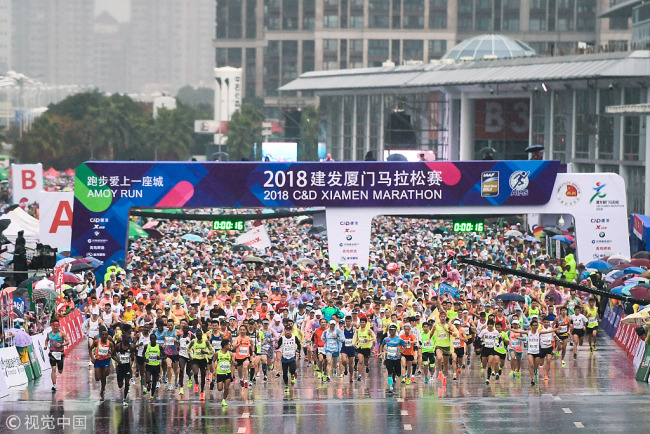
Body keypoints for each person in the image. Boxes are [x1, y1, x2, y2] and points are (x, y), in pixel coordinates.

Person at [188, 328, 214, 401]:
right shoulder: (193, 341)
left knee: (203, 376)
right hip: (196, 359)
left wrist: (205, 353)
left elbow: (212, 351)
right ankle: (196, 383)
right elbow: (188, 348)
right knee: (195, 371)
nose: (199, 337)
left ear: (202, 335)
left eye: (200, 335)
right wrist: (190, 356)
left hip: (203, 360)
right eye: (197, 336)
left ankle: (202, 391)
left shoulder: (206, 342)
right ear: (196, 335)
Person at [45, 319, 70, 392]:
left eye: (57, 326)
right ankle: (54, 385)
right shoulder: (49, 333)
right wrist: (46, 346)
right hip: (52, 353)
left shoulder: (62, 333)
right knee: (53, 368)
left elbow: (68, 342)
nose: (56, 327)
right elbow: (46, 340)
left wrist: (61, 344)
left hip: (60, 353)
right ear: (52, 326)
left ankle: (59, 370)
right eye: (55, 326)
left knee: (60, 371)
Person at [89, 325, 113, 400]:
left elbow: (113, 349)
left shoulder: (109, 339)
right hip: (98, 361)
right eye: (103, 334)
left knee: (105, 375)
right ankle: (102, 387)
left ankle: (102, 390)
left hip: (106, 360)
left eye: (106, 334)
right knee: (97, 378)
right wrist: (92, 358)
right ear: (100, 334)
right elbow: (90, 349)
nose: (104, 336)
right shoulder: (96, 340)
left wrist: (111, 352)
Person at [380, 323, 406, 394]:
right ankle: (391, 387)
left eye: (393, 330)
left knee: (398, 373)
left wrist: (401, 352)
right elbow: (381, 345)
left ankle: (397, 375)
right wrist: (381, 352)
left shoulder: (399, 339)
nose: (392, 331)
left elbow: (405, 345)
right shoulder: (386, 339)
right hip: (389, 358)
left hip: (397, 358)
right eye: (390, 330)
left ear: (395, 331)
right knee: (389, 372)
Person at [113, 324, 134, 405]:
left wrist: (131, 363)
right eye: (127, 338)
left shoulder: (131, 347)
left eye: (130, 338)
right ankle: (121, 388)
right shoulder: (118, 346)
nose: (129, 340)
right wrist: (117, 360)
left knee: (127, 382)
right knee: (120, 384)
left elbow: (132, 357)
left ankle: (125, 399)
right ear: (123, 338)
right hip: (120, 367)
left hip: (127, 367)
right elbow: (112, 354)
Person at [276, 324, 302, 391]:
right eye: (286, 330)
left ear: (291, 331)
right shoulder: (282, 338)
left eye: (289, 330)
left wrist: (298, 351)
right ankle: (286, 385)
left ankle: (292, 375)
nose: (287, 332)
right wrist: (276, 346)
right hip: (284, 357)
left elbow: (299, 345)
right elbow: (278, 346)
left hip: (292, 356)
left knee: (292, 369)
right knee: (284, 373)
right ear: (284, 331)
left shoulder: (294, 337)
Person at [353, 316, 376, 381]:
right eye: (361, 322)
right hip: (360, 348)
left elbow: (374, 337)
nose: (362, 324)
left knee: (366, 361)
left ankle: (367, 366)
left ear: (366, 323)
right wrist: (354, 344)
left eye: (363, 322)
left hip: (367, 348)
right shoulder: (358, 331)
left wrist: (368, 339)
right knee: (360, 361)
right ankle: (359, 375)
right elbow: (355, 338)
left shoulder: (368, 330)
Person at [215, 339, 234, 406]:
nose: (230, 346)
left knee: (226, 387)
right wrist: (214, 370)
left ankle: (224, 400)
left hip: (227, 372)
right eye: (228, 345)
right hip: (220, 373)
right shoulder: (218, 353)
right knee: (220, 388)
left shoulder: (230, 354)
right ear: (225, 346)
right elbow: (213, 361)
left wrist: (234, 363)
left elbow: (233, 362)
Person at [144, 333, 162, 402]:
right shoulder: (147, 346)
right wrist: (145, 358)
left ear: (156, 339)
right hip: (149, 365)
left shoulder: (159, 346)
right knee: (148, 379)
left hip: (156, 366)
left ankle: (151, 396)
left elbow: (165, 356)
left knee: (154, 382)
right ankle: (148, 384)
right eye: (151, 339)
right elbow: (143, 353)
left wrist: (160, 357)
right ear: (150, 339)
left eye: (154, 339)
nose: (152, 340)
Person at [177, 324, 194, 395]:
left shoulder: (191, 336)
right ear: (183, 329)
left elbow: (195, 344)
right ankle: (181, 387)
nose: (186, 330)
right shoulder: (180, 336)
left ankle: (190, 377)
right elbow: (179, 343)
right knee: (181, 369)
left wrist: (189, 344)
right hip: (182, 354)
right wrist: (178, 347)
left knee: (188, 371)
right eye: (184, 328)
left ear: (189, 329)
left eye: (187, 328)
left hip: (189, 355)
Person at [340, 316, 356, 383]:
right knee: (343, 360)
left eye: (349, 321)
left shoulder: (354, 329)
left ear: (351, 321)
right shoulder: (342, 329)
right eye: (346, 321)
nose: (348, 323)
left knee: (351, 364)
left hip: (351, 348)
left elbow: (356, 337)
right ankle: (345, 367)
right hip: (344, 347)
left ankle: (351, 376)